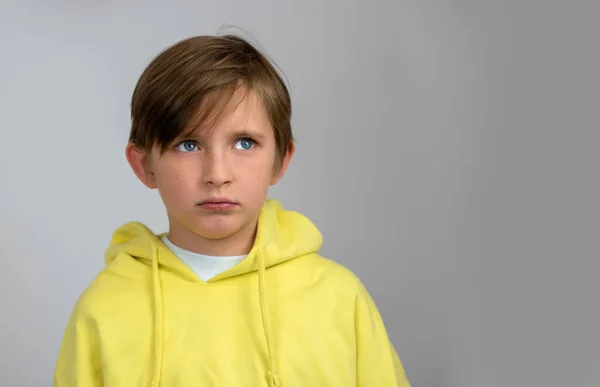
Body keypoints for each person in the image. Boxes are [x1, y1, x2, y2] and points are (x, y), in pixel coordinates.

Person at [53, 34, 411, 387]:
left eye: (244, 143)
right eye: (188, 144)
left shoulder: (338, 298)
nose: (217, 175)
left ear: (280, 160)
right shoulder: (105, 307)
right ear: (144, 164)